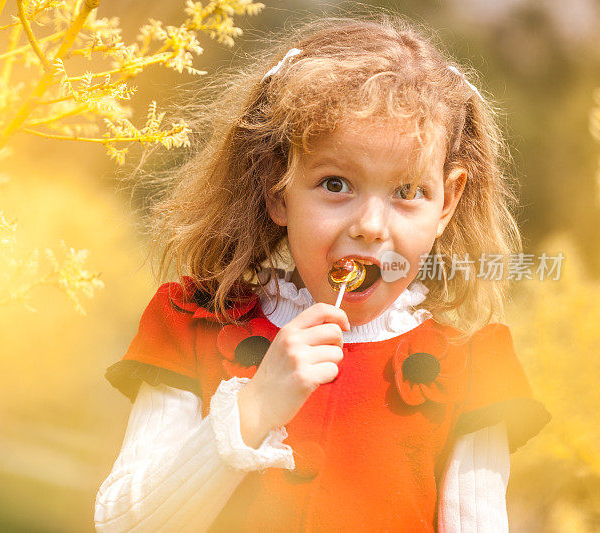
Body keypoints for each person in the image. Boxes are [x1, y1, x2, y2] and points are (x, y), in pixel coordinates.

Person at [95, 12, 551, 533]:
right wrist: (255, 408)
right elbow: (122, 524)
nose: (371, 227)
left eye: (408, 192)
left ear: (447, 202)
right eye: (335, 184)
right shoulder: (192, 326)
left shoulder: (473, 370)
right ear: (276, 190)